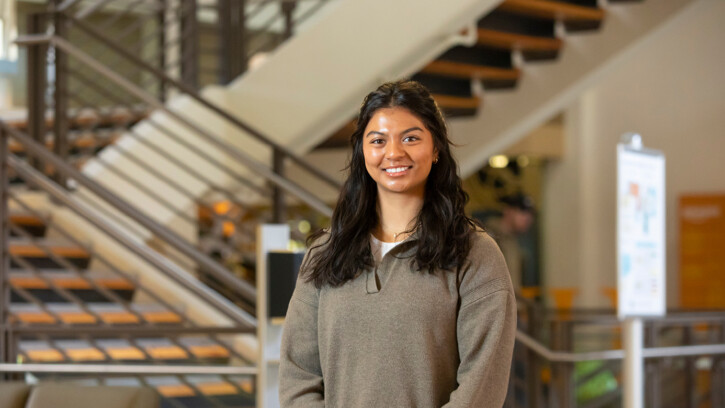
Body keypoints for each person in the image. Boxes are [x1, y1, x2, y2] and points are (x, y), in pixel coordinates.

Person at [279, 80, 516, 407]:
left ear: (435, 150)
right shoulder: (324, 253)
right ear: (363, 152)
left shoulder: (476, 254)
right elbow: (297, 376)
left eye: (411, 138)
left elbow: (482, 386)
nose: (394, 153)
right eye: (378, 140)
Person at [483, 193, 536, 293]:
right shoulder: (489, 238)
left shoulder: (513, 241)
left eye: (530, 214)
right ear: (507, 211)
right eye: (522, 212)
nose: (528, 218)